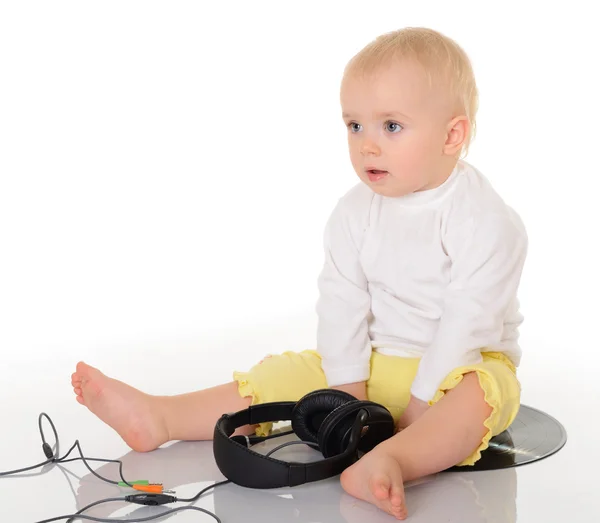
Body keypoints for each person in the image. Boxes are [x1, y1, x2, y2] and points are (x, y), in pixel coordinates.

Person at [71, 27, 527, 520]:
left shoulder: (484, 219)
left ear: (452, 135)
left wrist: (418, 406)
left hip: (455, 368)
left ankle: (395, 458)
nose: (367, 146)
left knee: (481, 394)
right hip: (375, 365)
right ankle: (162, 416)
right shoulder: (354, 213)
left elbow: (468, 320)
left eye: (391, 127)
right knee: (285, 373)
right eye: (354, 126)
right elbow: (342, 303)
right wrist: (345, 392)